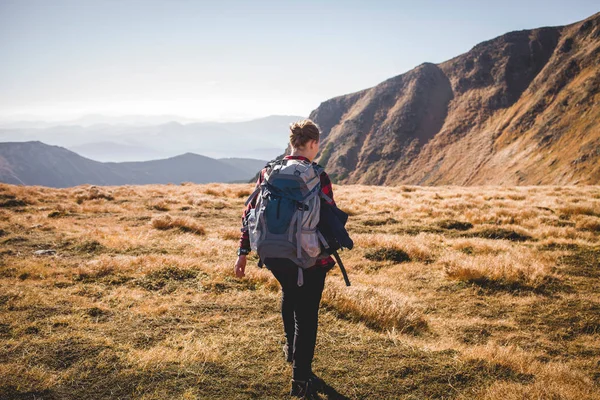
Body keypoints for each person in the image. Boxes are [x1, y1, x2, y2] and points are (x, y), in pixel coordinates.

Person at [234, 119, 336, 398]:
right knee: (307, 316)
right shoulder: (317, 174)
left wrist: (242, 253)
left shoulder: (269, 171)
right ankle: (300, 380)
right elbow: (328, 219)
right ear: (312, 144)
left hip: (272, 254)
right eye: (318, 145)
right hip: (307, 257)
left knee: (290, 292)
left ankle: (291, 352)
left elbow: (250, 213)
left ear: (292, 143)